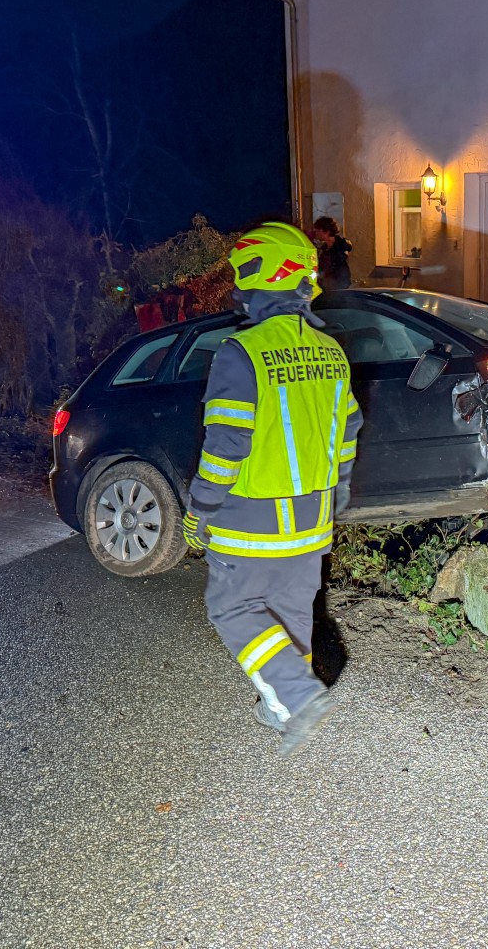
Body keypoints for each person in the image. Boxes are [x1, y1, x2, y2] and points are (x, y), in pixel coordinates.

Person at [183, 221, 363, 756]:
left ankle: (296, 693)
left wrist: (200, 509)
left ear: (259, 282)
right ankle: (282, 706)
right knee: (290, 611)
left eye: (243, 279)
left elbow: (225, 448)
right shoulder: (331, 352)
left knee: (233, 608)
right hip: (311, 519)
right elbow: (347, 432)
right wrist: (337, 496)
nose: (239, 291)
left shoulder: (241, 352)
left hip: (250, 518)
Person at [313, 216, 353, 292]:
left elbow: (337, 266)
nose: (316, 233)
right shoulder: (324, 248)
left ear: (326, 231)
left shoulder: (340, 247)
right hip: (326, 286)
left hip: (338, 286)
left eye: (318, 230)